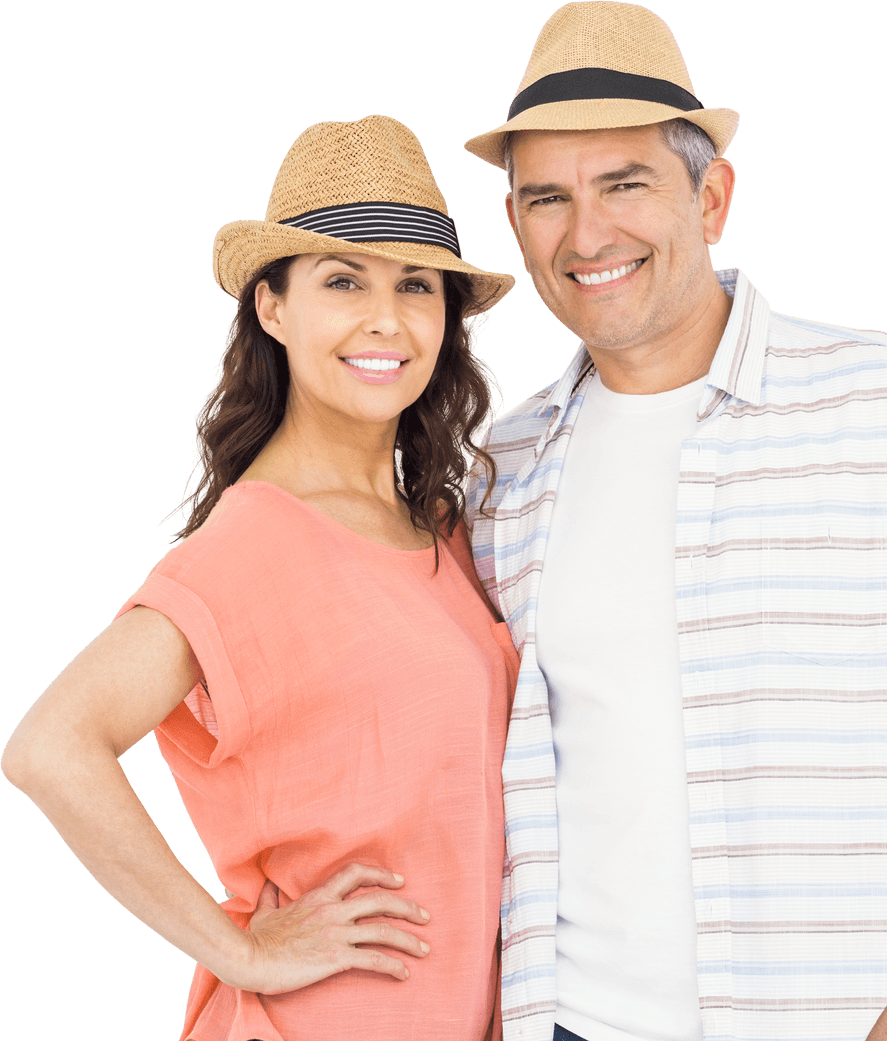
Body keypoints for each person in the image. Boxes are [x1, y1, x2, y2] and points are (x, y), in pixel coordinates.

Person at [460, 4, 887, 1041]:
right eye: (547, 199)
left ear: (712, 198)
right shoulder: (499, 469)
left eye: (625, 184)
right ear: (515, 225)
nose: (587, 233)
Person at [2, 114, 517, 1041]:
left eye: (416, 284)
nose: (386, 318)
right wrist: (239, 950)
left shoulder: (440, 525)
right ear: (271, 307)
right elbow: (48, 747)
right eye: (343, 279)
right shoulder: (255, 541)